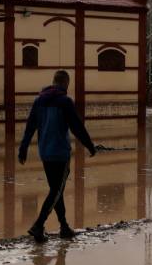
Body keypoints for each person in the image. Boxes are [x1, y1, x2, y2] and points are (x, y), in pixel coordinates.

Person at [18, 69, 98, 241]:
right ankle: (38, 225)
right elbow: (77, 127)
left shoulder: (39, 100)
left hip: (45, 152)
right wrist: (90, 146)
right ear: (65, 84)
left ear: (53, 82)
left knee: (56, 191)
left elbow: (30, 126)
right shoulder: (65, 102)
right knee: (56, 190)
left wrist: (23, 148)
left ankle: (64, 227)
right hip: (60, 153)